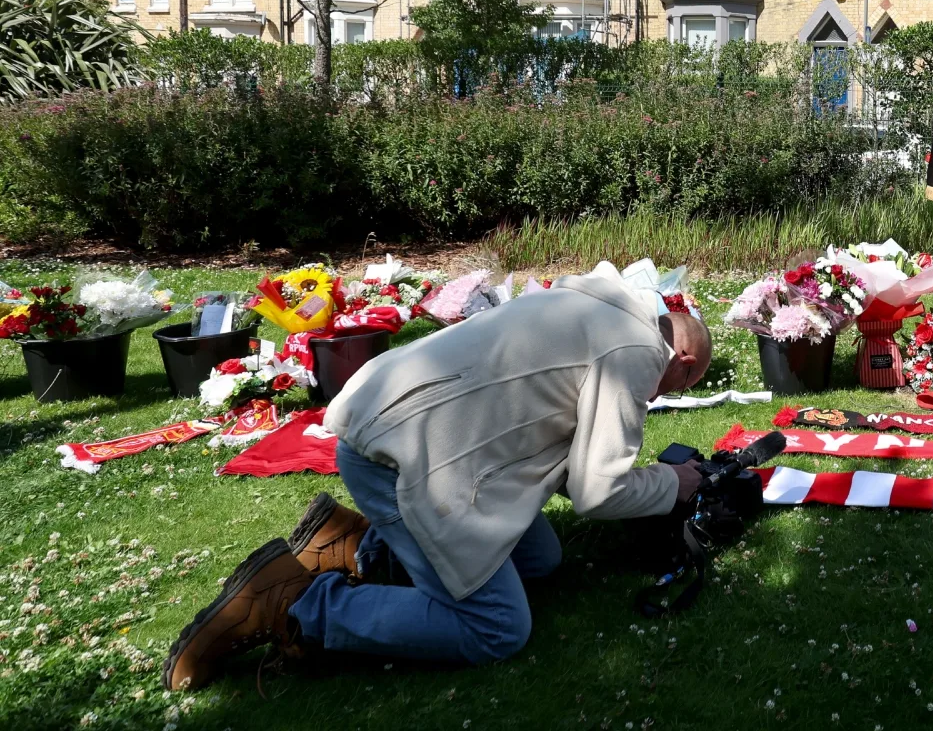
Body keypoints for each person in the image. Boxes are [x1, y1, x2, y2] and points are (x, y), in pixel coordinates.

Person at [163, 273, 712, 691]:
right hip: (402, 463)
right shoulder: (637, 350)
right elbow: (598, 494)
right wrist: (673, 481)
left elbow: (567, 458)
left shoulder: (589, 303)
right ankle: (296, 607)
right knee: (496, 627)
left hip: (382, 423)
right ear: (681, 357)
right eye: (684, 383)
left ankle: (356, 547)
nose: (663, 398)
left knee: (540, 558)